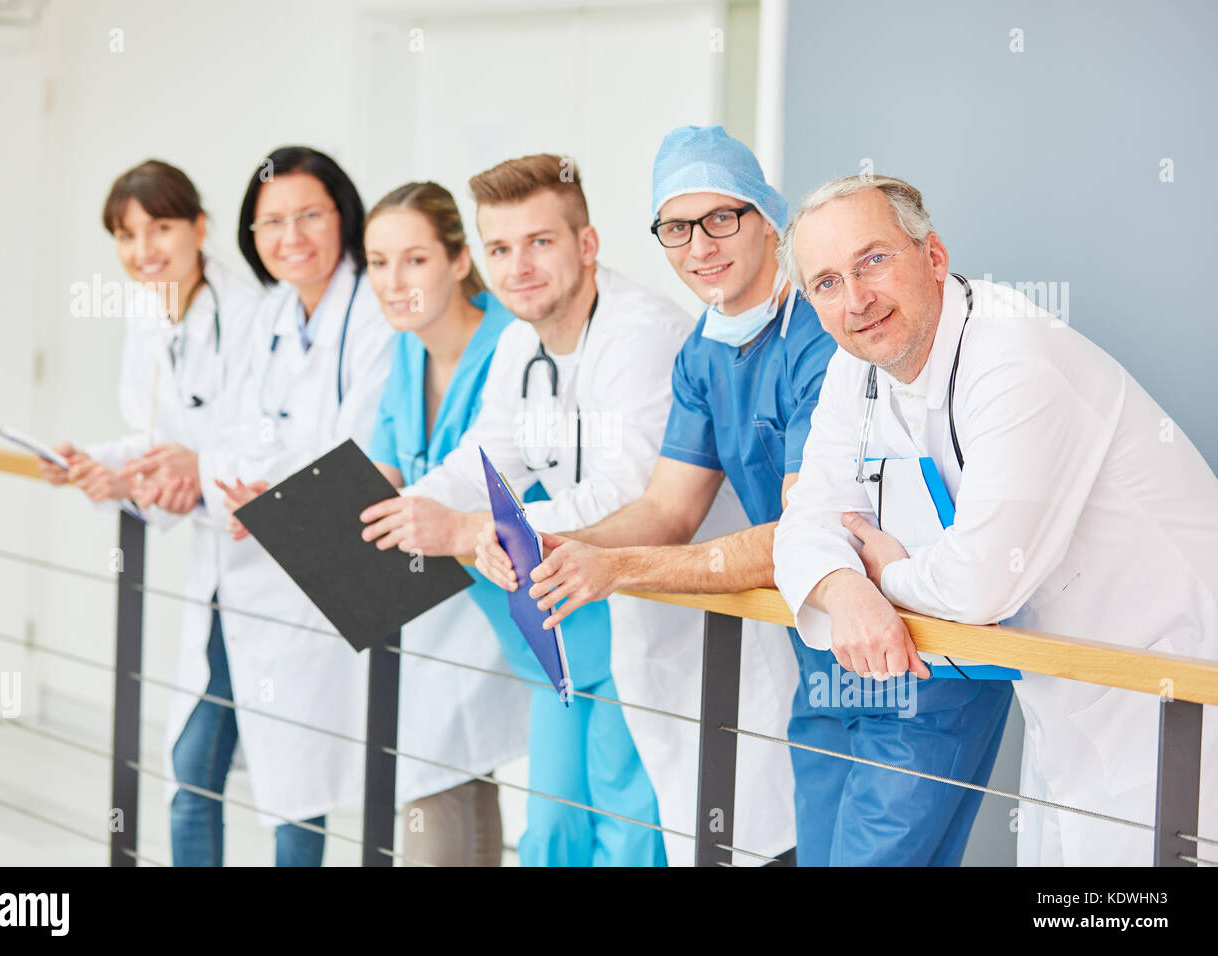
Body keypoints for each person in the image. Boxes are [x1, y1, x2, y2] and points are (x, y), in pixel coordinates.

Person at [474, 127, 1013, 867]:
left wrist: (617, 569)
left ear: (768, 219)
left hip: (912, 649)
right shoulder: (704, 352)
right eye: (676, 227)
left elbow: (804, 528)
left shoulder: (825, 337)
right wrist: (556, 543)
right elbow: (667, 510)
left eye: (721, 218)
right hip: (819, 656)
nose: (700, 246)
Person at [772, 173, 1218, 865]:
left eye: (873, 261)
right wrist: (848, 587)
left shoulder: (1014, 357)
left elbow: (982, 585)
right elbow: (804, 522)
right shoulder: (852, 371)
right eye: (827, 283)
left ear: (935, 257)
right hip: (1067, 690)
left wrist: (887, 569)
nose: (855, 299)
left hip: (1176, 685)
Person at [360, 154, 685, 866]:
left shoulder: (643, 334)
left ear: (587, 245)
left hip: (641, 619)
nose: (518, 267)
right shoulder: (518, 342)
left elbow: (630, 493)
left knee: (629, 843)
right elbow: (484, 457)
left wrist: (475, 531)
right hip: (564, 632)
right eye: (500, 249)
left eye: (540, 242)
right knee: (552, 840)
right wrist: (414, 510)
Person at [123, 146, 396, 866]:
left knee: (298, 792)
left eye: (309, 216)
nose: (291, 237)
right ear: (249, 233)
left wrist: (226, 477)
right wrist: (216, 477)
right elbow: (239, 434)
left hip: (321, 578)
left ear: (344, 215)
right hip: (247, 566)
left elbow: (363, 447)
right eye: (271, 222)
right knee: (201, 774)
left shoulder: (373, 313)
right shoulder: (273, 313)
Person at [38, 160, 262, 865]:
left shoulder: (252, 316)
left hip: (266, 562)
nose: (143, 250)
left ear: (200, 227)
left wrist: (171, 475)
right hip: (218, 568)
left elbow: (246, 447)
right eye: (126, 235)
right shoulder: (149, 312)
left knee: (264, 784)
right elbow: (161, 439)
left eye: (160, 227)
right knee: (194, 775)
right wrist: (94, 463)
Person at [362, 181, 530, 865]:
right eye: (377, 263)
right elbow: (387, 467)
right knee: (445, 780)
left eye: (415, 260)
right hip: (438, 598)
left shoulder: (511, 346)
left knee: (446, 777)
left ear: (460, 260)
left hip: (506, 589)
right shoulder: (406, 350)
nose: (393, 282)